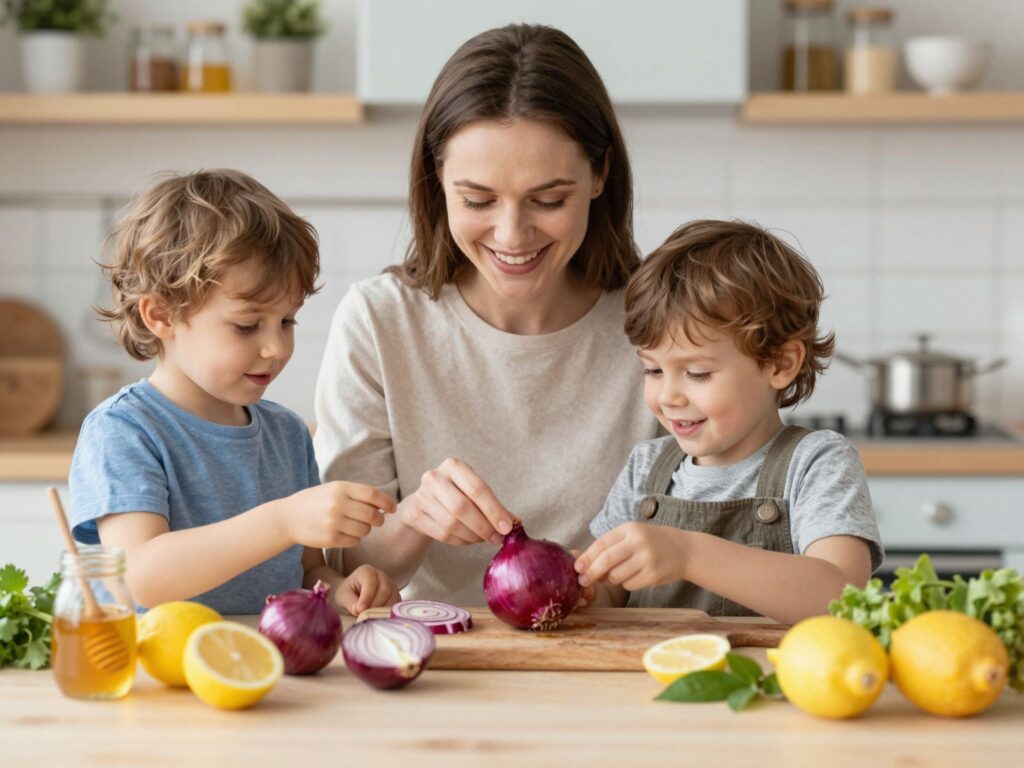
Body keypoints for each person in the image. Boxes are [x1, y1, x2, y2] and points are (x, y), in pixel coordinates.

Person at [313, 24, 660, 604]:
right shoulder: (379, 323)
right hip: (433, 663)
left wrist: (604, 587)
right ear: (437, 181)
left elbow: (704, 535)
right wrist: (416, 518)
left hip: (611, 663)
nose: (511, 235)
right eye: (476, 201)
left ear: (601, 175)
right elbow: (352, 568)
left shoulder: (660, 325)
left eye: (549, 200)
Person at [68, 169, 400, 615]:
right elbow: (141, 577)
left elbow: (305, 572)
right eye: (247, 325)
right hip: (164, 675)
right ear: (161, 316)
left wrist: (340, 589)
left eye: (287, 321)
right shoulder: (123, 431)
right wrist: (282, 520)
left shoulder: (286, 433)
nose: (277, 347)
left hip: (264, 668)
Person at [574, 220, 883, 623]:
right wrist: (582, 587)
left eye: (698, 373)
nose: (668, 396)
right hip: (649, 682)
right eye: (653, 371)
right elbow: (611, 595)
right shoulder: (646, 466)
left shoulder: (816, 463)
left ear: (779, 363)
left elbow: (840, 598)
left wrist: (688, 554)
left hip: (771, 682)